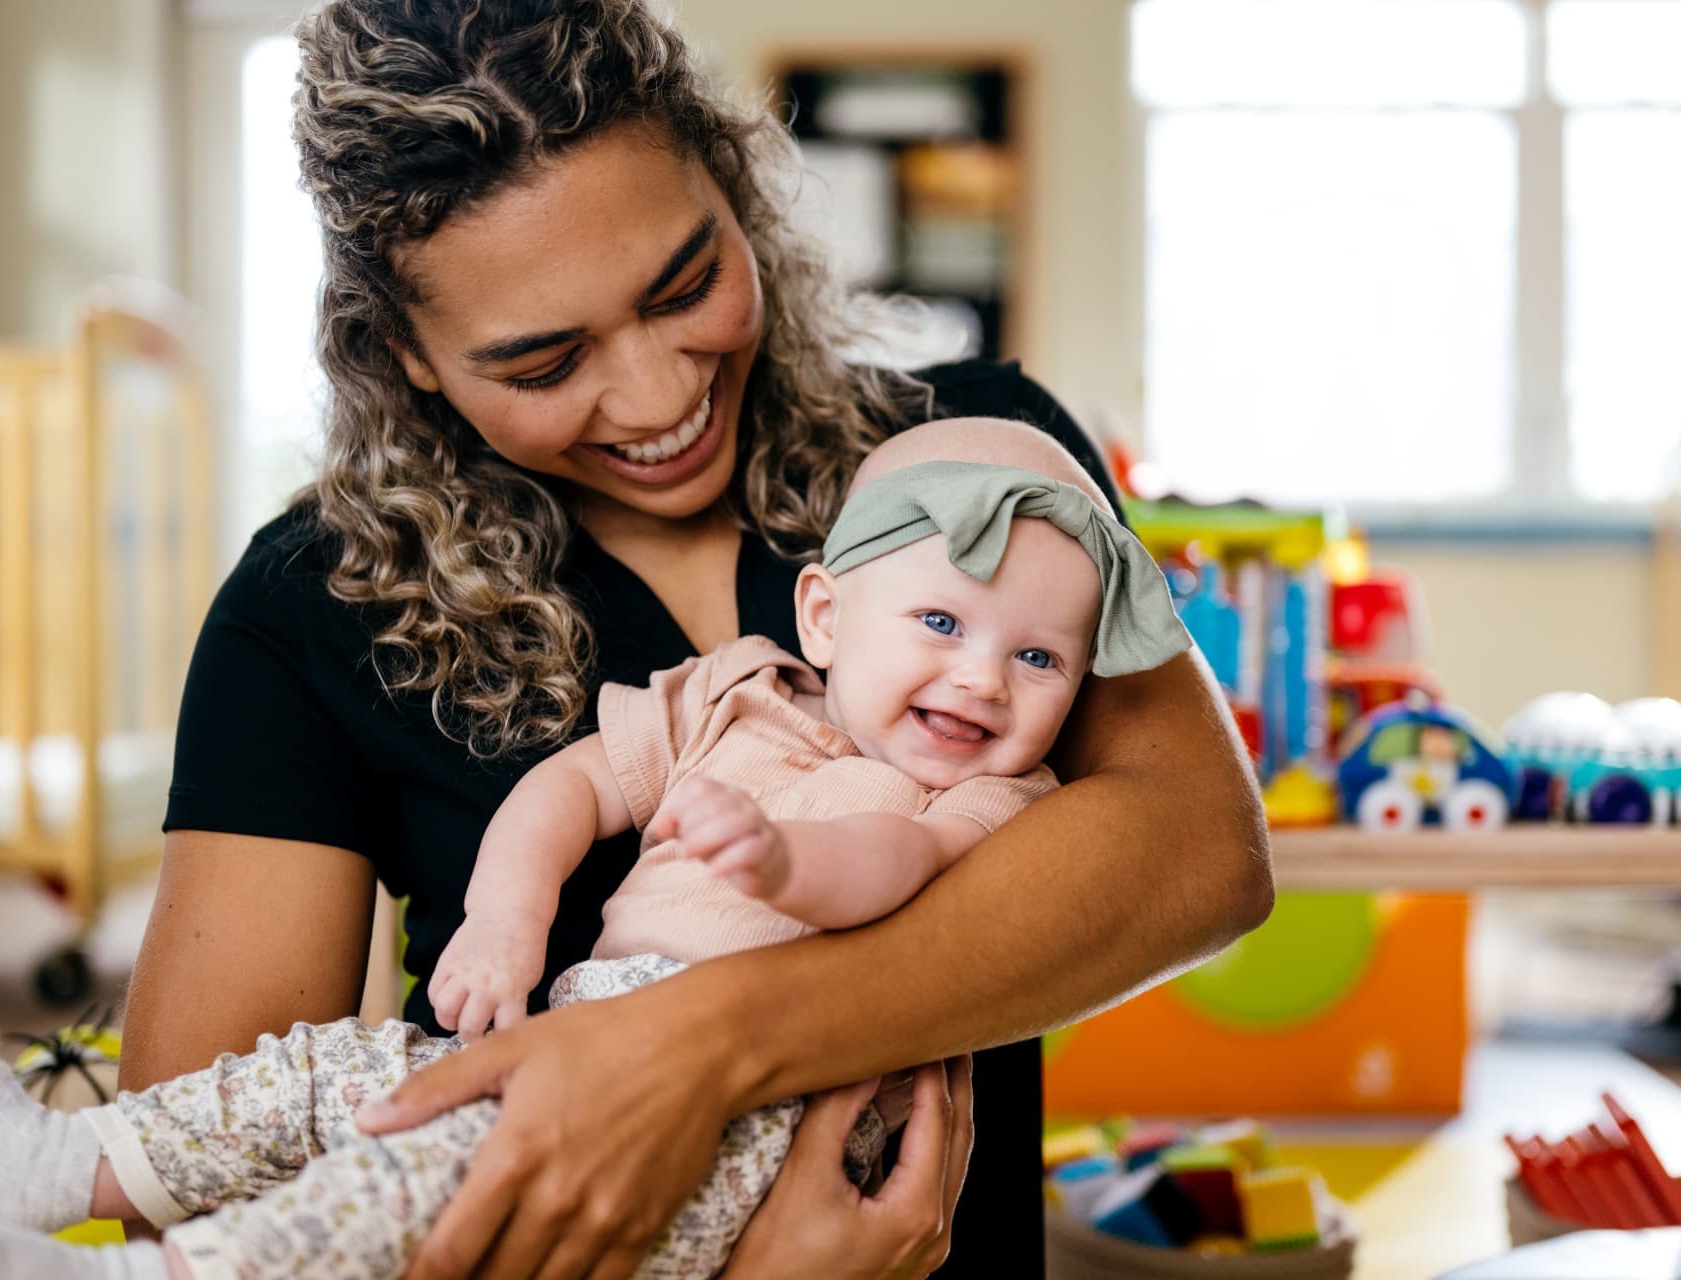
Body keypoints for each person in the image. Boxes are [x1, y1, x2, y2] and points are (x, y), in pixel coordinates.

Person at [99, 2, 1272, 1277]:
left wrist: (703, 1041)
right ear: (407, 354)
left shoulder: (974, 458)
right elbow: (193, 1202)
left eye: (687, 284)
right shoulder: (310, 608)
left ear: (733, 187)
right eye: (544, 363)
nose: (662, 396)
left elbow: (1201, 849)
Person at [0, 419, 1197, 1280]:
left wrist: (777, 863)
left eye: (1040, 657)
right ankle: (55, 1163)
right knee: (333, 1075)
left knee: (416, 1188)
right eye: (939, 620)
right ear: (823, 609)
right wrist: (507, 921)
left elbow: (890, 869)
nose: (983, 678)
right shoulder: (739, 691)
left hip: (756, 1124)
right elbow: (571, 788)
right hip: (577, 1024)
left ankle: (155, 1276)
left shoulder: (991, 797)